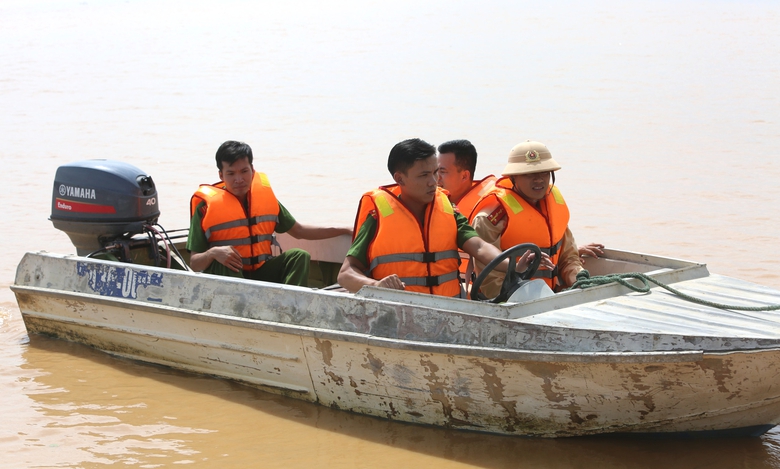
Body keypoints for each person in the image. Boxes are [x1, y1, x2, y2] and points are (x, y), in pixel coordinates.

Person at [337, 138, 552, 297]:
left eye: (436, 172)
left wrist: (512, 264)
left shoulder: (447, 207)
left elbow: (478, 247)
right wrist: (376, 286)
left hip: (447, 310)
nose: (433, 181)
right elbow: (346, 274)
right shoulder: (378, 214)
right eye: (424, 175)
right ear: (399, 178)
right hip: (398, 312)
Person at [187, 140, 351, 286]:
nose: (239, 179)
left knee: (299, 256)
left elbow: (299, 231)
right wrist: (213, 253)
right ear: (221, 175)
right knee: (222, 260)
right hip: (230, 279)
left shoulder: (264, 199)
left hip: (261, 273)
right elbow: (195, 263)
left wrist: (344, 229)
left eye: (244, 171)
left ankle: (291, 307)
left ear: (252, 170)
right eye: (231, 173)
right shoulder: (204, 207)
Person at [470, 140, 593, 296]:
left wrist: (578, 279)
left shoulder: (554, 206)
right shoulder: (490, 219)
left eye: (544, 173)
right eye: (529, 174)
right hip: (510, 301)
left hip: (550, 296)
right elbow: (491, 283)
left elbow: (569, 257)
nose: (539, 179)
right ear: (513, 178)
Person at [436, 139, 497, 219]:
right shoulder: (427, 200)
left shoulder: (483, 215)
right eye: (435, 170)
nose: (436, 177)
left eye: (442, 171)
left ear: (464, 176)